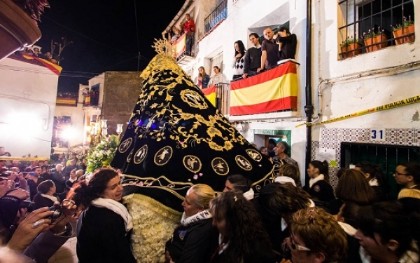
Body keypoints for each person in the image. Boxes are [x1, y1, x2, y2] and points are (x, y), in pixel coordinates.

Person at [73, 168, 136, 263]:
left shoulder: (91, 207)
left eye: (119, 183)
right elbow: (121, 253)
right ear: (99, 191)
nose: (121, 188)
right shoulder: (109, 218)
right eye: (113, 187)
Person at [210, 191, 275, 263]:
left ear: (234, 221)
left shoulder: (256, 252)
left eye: (218, 219)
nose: (213, 223)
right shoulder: (215, 234)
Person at [165, 184, 218, 263]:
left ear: (200, 208)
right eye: (184, 200)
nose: (182, 204)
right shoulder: (192, 219)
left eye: (188, 203)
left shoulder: (201, 231)